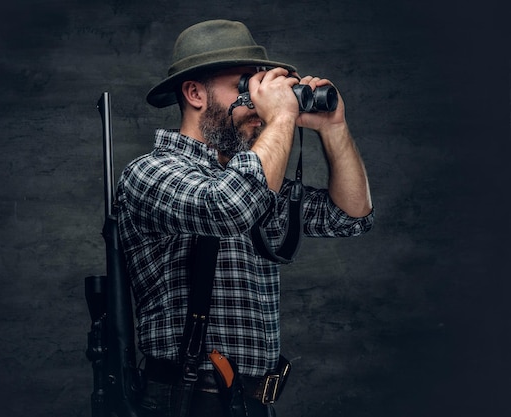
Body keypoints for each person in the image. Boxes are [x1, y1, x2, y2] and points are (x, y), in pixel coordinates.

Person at [116, 19, 374, 417]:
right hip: (186, 402)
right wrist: (282, 119)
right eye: (244, 86)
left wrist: (334, 128)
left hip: (249, 404)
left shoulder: (250, 174)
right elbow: (230, 208)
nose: (259, 99)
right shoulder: (150, 172)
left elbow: (349, 216)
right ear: (195, 92)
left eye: (262, 85)